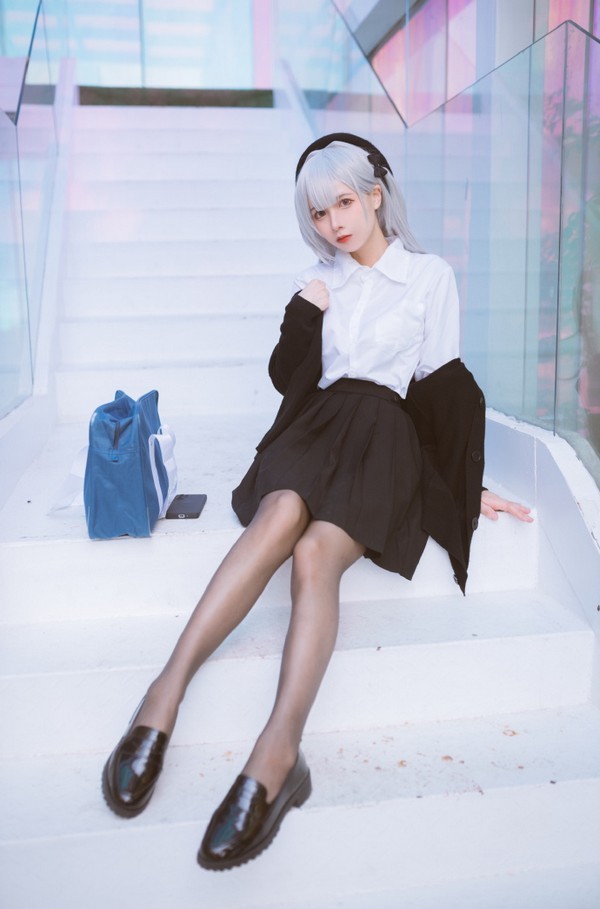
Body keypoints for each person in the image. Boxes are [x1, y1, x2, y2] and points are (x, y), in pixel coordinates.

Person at [101, 133, 533, 871]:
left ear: (375, 195)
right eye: (319, 212)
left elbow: (440, 390)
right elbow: (285, 376)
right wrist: (305, 313)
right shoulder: (318, 279)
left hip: (385, 434)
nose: (335, 222)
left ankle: (280, 751)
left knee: (314, 554)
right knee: (278, 515)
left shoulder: (428, 277)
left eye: (344, 203)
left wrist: (466, 486)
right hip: (317, 425)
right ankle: (162, 694)